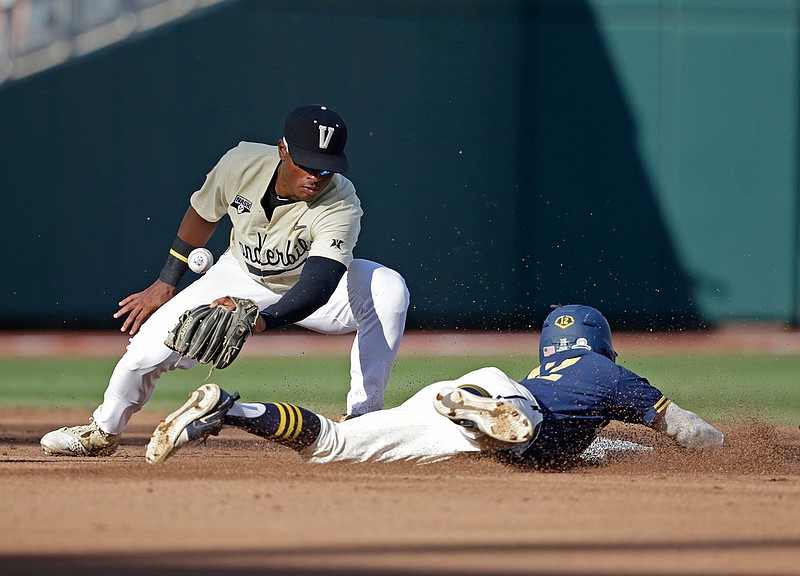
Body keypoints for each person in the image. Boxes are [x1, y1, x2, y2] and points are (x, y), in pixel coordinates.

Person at [41, 104, 410, 457]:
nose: (316, 176)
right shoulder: (240, 163)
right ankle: (102, 432)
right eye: (308, 164)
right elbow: (202, 216)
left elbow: (319, 284)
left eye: (327, 168)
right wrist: (166, 282)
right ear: (283, 150)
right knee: (143, 354)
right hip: (238, 276)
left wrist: (260, 319)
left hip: (312, 291)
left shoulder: (340, 203)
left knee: (388, 287)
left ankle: (364, 418)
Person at [144, 304, 724, 468]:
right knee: (526, 426)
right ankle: (489, 409)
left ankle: (231, 407)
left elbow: (595, 443)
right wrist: (728, 452)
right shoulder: (610, 376)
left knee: (335, 447)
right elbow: (688, 430)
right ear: (601, 341)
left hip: (471, 407)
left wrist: (623, 451)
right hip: (505, 407)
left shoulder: (548, 377)